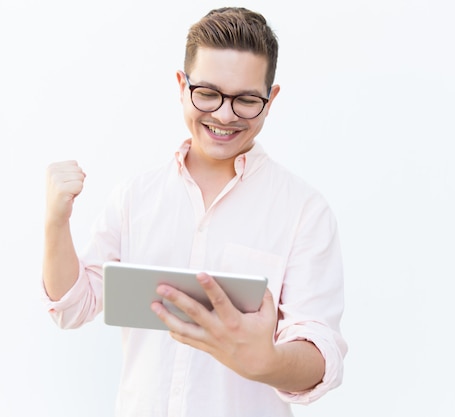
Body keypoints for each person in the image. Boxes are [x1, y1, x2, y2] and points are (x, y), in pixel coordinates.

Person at [42, 7, 347, 417]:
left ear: (270, 100)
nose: (224, 115)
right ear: (181, 85)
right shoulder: (135, 196)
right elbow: (73, 306)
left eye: (246, 100)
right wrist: (55, 222)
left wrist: (267, 362)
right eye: (208, 93)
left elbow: (320, 352)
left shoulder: (304, 211)